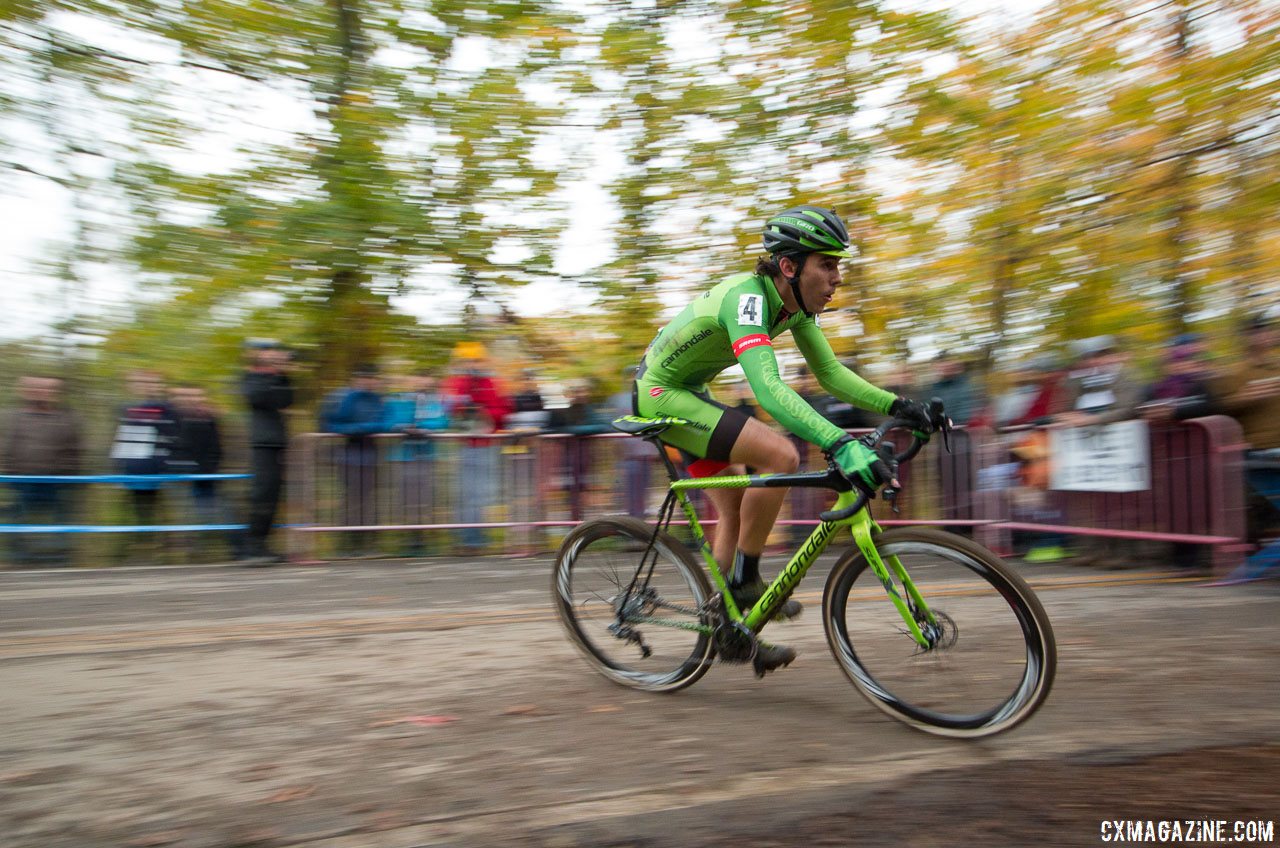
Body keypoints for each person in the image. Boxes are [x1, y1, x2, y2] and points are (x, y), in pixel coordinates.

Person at [632, 204, 935, 674]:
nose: (837, 278)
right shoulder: (747, 299)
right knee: (779, 454)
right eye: (828, 265)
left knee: (734, 512)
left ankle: (729, 629)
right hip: (660, 395)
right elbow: (769, 391)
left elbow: (831, 374)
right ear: (790, 267)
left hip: (689, 393)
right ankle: (746, 582)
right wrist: (839, 442)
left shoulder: (793, 308)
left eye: (839, 266)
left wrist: (899, 405)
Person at [1210, 314, 1280, 584]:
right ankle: (1245, 572)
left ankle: (1247, 571)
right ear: (1246, 337)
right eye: (1254, 331)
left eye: (1265, 331)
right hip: (1260, 455)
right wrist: (1245, 397)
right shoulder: (1234, 372)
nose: (1261, 336)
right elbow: (1217, 408)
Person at [2, 376, 83, 567]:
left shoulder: (67, 418)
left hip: (57, 482)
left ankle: (60, 561)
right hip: (22, 481)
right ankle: (19, 561)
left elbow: (76, 449)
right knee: (17, 524)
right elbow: (5, 448)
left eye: (48, 389)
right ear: (25, 390)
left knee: (61, 524)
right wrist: (8, 475)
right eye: (36, 388)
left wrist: (69, 476)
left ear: (56, 393)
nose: (42, 392)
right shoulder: (13, 418)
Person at [442, 343, 512, 552]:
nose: (472, 365)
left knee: (481, 493)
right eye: (468, 360)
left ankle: (477, 538)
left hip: (485, 444)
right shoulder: (455, 383)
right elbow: (447, 408)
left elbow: (504, 410)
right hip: (464, 445)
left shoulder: (492, 383)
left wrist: (486, 413)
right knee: (464, 493)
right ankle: (464, 538)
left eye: (476, 360)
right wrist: (463, 406)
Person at [320, 363, 389, 556]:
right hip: (348, 457)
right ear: (356, 379)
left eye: (372, 378)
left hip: (370, 457)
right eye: (365, 378)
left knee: (368, 501)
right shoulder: (342, 397)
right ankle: (346, 546)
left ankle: (368, 545)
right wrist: (359, 429)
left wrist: (363, 428)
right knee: (350, 500)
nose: (369, 382)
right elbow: (331, 423)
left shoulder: (378, 400)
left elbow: (383, 423)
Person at [110, 370, 179, 560]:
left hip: (162, 472)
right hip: (133, 471)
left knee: (167, 515)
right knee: (135, 514)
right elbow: (120, 438)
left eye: (151, 382)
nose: (145, 385)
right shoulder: (124, 408)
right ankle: (133, 551)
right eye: (139, 381)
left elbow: (176, 437)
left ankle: (167, 554)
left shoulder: (168, 408)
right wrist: (117, 467)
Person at [384, 370, 450, 556]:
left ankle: (422, 538)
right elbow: (388, 421)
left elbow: (442, 422)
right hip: (404, 456)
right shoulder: (397, 399)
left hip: (426, 456)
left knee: (425, 498)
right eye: (416, 375)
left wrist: (422, 429)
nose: (420, 379)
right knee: (406, 498)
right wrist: (402, 427)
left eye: (424, 375)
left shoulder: (435, 401)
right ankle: (407, 538)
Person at [240, 340, 294, 565]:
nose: (273, 357)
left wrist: (280, 373)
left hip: (276, 444)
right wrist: (266, 370)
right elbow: (256, 398)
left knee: (272, 497)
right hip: (262, 444)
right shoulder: (250, 378)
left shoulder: (276, 378)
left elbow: (287, 399)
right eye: (267, 353)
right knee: (261, 495)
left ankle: (262, 547)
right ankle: (251, 547)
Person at [170, 385, 230, 560]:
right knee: (182, 517)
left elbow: (217, 447)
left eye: (196, 396)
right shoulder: (170, 417)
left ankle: (205, 553)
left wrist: (208, 469)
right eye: (186, 395)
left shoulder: (209, 418)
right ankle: (183, 555)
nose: (192, 399)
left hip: (205, 476)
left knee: (206, 516)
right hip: (177, 476)